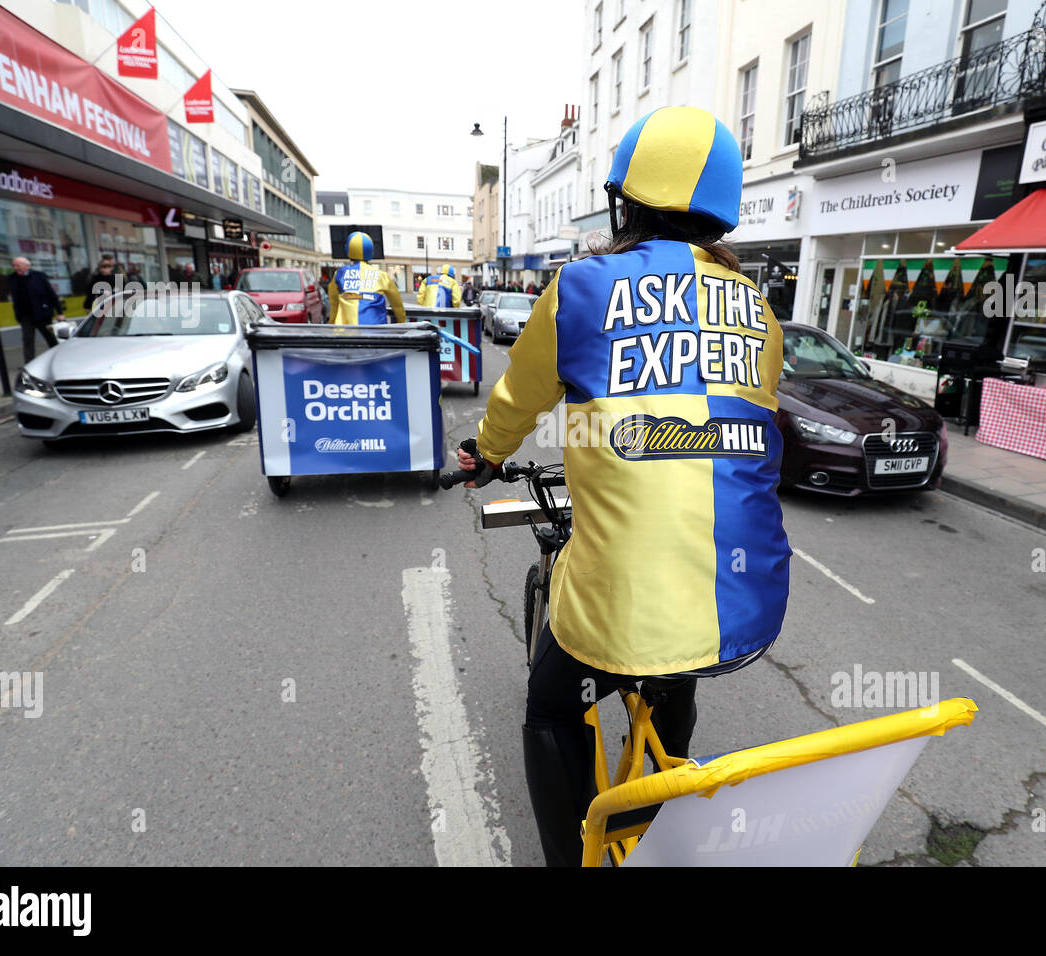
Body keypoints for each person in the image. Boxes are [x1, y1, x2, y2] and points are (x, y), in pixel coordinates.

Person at [453, 106, 790, 866]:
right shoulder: (760, 311)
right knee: (677, 664)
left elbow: (518, 399)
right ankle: (665, 794)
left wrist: (483, 455)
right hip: (745, 601)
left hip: (625, 605)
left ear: (624, 201)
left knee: (549, 708)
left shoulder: (581, 288)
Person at [327, 231, 406, 325]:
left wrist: (331, 324)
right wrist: (403, 323)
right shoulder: (381, 275)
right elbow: (397, 305)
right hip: (375, 332)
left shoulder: (339, 274)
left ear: (348, 249)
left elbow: (334, 304)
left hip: (346, 333)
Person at [8, 257, 64, 363]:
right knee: (27, 339)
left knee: (50, 338)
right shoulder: (12, 278)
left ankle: (58, 359)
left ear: (27, 266)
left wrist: (60, 312)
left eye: (18, 265)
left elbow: (51, 294)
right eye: (14, 265)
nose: (15, 268)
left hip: (42, 313)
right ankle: (29, 363)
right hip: (25, 315)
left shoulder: (39, 276)